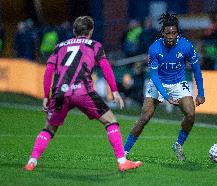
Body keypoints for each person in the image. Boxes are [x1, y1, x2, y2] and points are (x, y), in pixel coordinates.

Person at [23, 16, 142, 172]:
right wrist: (114, 91)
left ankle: (32, 162)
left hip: (60, 93)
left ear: (74, 31)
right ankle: (122, 161)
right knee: (110, 121)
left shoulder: (59, 47)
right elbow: (106, 68)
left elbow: (48, 72)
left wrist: (46, 95)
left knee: (49, 128)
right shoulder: (95, 45)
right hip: (83, 91)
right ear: (91, 31)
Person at [124, 13, 205, 161]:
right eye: (167, 33)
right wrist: (166, 97)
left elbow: (197, 69)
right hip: (158, 83)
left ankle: (178, 145)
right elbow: (154, 76)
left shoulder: (186, 46)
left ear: (177, 33)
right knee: (145, 117)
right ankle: (124, 152)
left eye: (174, 33)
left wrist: (201, 92)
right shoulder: (154, 48)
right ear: (162, 33)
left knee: (191, 114)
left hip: (178, 83)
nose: (170, 36)